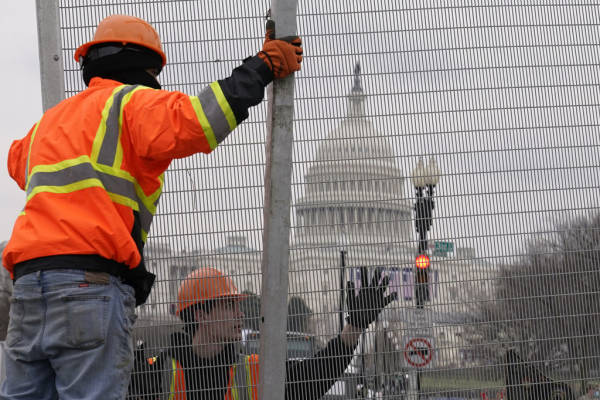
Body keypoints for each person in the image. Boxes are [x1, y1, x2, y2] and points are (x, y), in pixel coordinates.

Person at [1, 14, 302, 400]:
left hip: (28, 288)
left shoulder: (48, 124)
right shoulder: (132, 104)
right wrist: (262, 67)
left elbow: (16, 162)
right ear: (143, 66)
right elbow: (201, 118)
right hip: (90, 286)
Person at [128, 266, 397, 400]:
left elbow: (312, 378)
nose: (240, 313)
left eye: (238, 305)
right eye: (228, 305)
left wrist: (354, 328)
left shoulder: (251, 371)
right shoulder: (158, 372)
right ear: (201, 316)